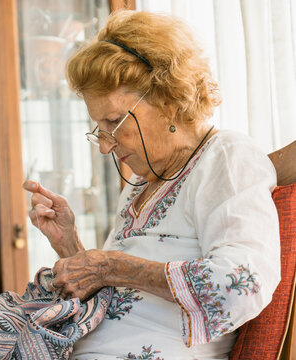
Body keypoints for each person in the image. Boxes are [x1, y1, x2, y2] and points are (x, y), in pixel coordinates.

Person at [22, 10, 280, 359]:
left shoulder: (227, 157)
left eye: (114, 122)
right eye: (99, 128)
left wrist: (111, 265)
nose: (104, 145)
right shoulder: (139, 186)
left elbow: (242, 282)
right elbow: (112, 299)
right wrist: (70, 246)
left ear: (168, 100)